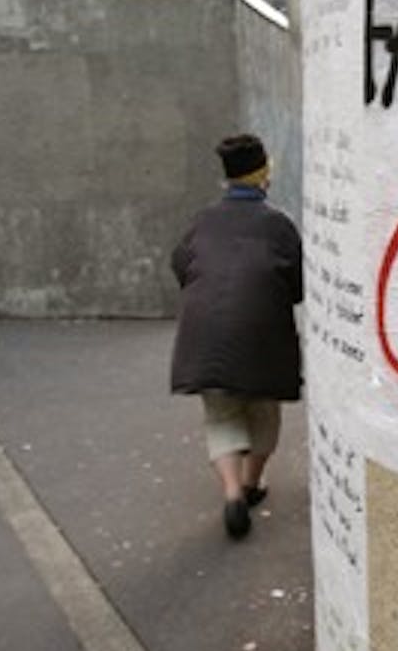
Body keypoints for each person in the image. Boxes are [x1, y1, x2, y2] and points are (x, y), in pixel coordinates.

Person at [169, 133, 303, 540]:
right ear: (264, 173)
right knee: (263, 411)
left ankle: (230, 494)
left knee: (222, 415)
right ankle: (251, 484)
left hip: (204, 336)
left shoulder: (201, 221)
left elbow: (181, 267)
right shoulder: (278, 225)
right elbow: (298, 285)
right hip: (264, 338)